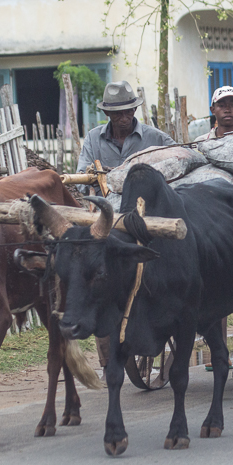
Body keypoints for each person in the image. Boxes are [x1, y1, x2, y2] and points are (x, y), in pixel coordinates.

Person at [76, 80, 175, 377]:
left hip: (147, 222)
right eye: (117, 112)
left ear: (135, 109)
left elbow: (176, 164)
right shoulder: (94, 140)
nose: (123, 117)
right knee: (96, 282)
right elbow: (83, 175)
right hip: (107, 224)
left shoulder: (155, 138)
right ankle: (107, 362)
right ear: (107, 113)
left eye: (128, 110)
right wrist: (93, 176)